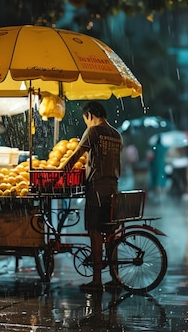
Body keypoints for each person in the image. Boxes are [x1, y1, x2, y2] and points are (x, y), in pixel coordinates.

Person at [58, 101, 122, 292]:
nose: (86, 122)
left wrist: (58, 173)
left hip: (96, 188)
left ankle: (97, 280)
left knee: (95, 233)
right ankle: (115, 277)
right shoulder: (116, 134)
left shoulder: (93, 131)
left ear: (90, 115)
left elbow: (76, 155)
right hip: (113, 187)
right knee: (110, 233)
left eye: (85, 119)